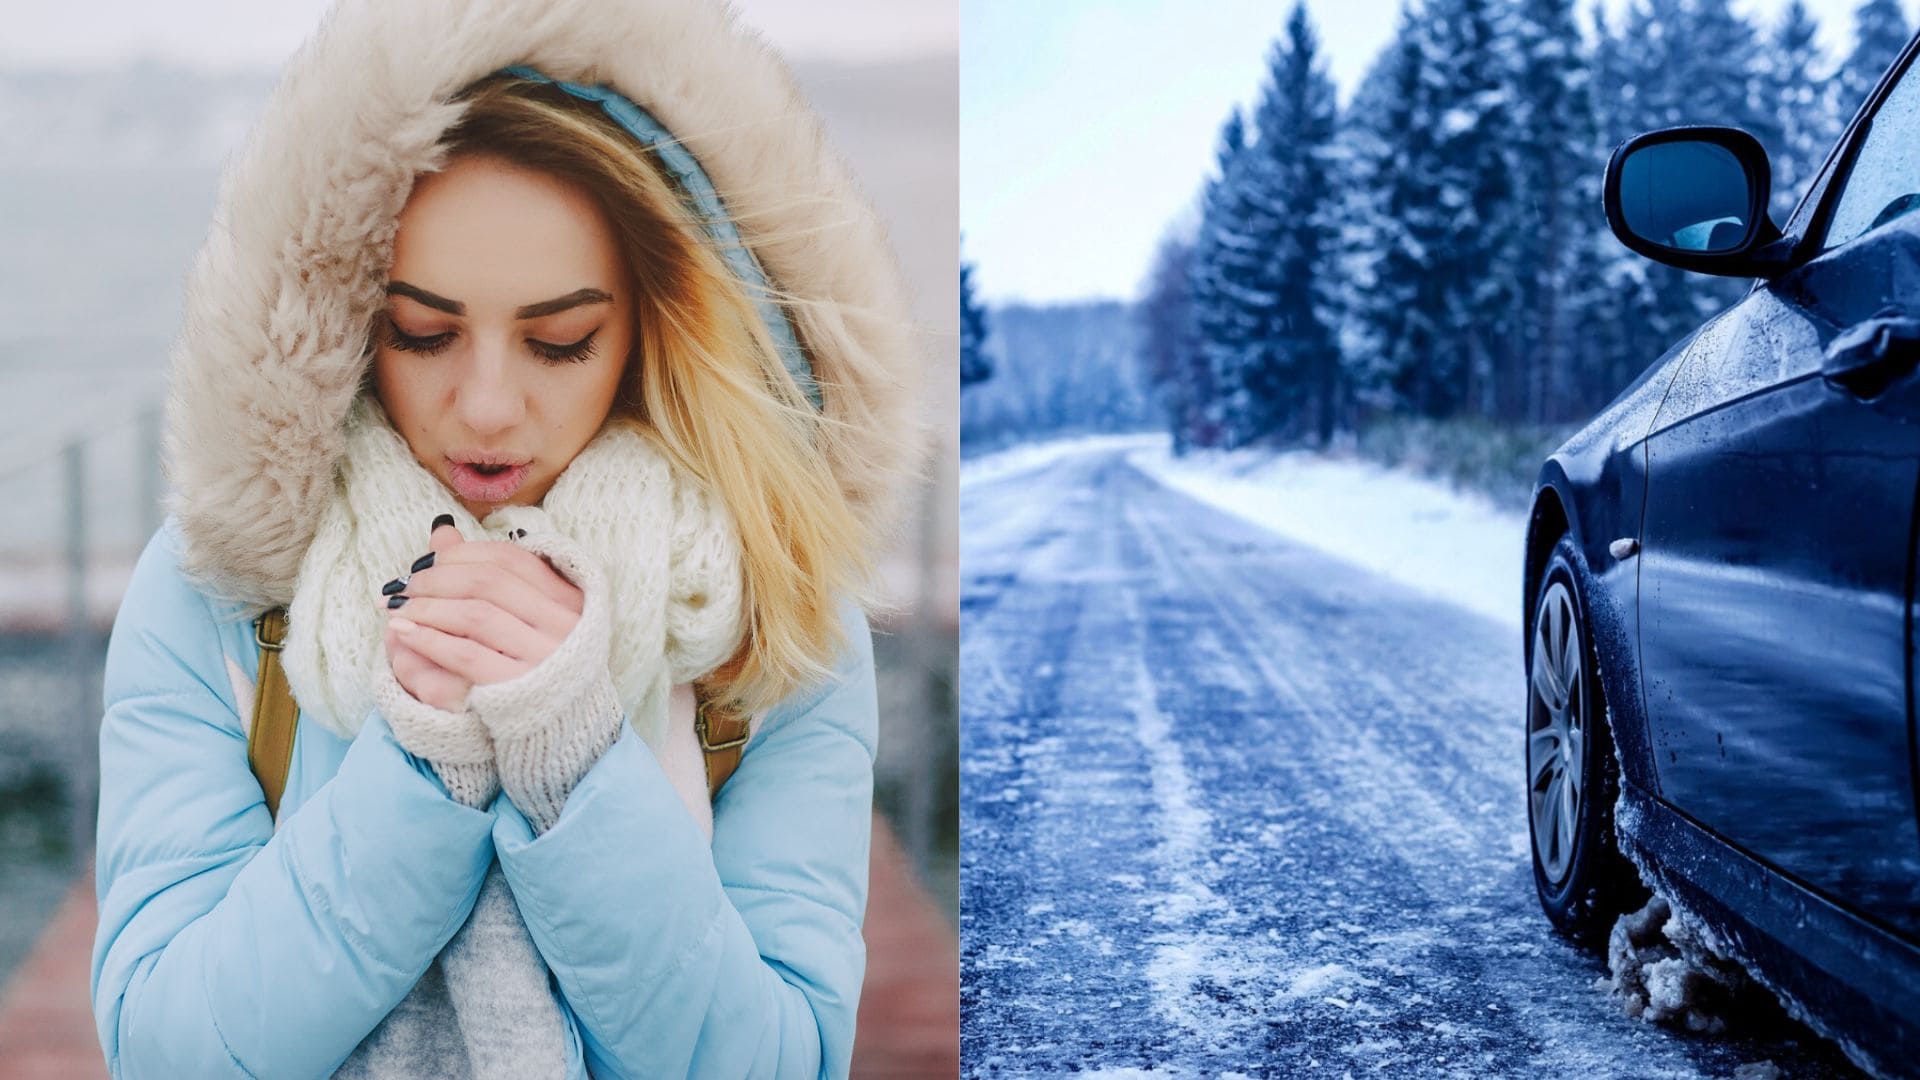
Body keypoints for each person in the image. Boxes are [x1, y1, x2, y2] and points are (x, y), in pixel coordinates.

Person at [86, 0, 925, 1076]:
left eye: (561, 340)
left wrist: (575, 766)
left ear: (654, 324)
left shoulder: (772, 613)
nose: (486, 406)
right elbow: (163, 1050)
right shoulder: (220, 589)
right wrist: (421, 778)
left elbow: (784, 1060)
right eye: (422, 332)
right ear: (346, 319)